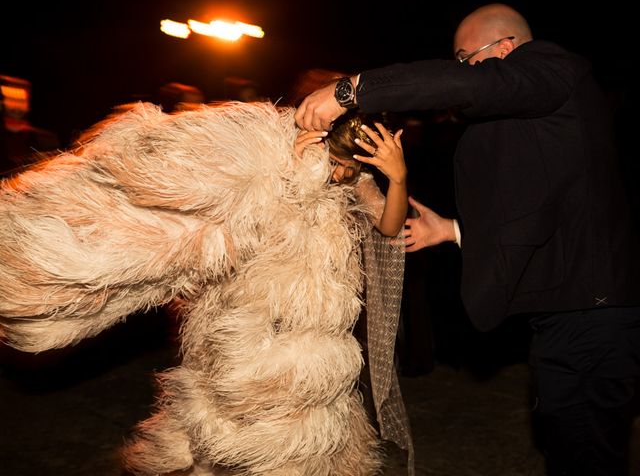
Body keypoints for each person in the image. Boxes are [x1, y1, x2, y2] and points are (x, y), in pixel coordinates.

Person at [295, 2, 640, 476]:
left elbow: (468, 85)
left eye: (464, 57)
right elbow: (543, 202)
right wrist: (453, 230)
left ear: (504, 48)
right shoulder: (544, 110)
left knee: (587, 451)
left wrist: (354, 90)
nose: (461, 71)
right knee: (564, 440)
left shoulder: (553, 67)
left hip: (593, 311)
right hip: (568, 310)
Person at [0, 99, 411, 475]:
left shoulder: (357, 183)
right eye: (335, 162)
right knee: (222, 412)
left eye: (349, 167)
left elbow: (389, 226)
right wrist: (294, 167)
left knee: (297, 433)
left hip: (317, 325)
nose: (338, 173)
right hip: (249, 311)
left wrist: (398, 177)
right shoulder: (275, 157)